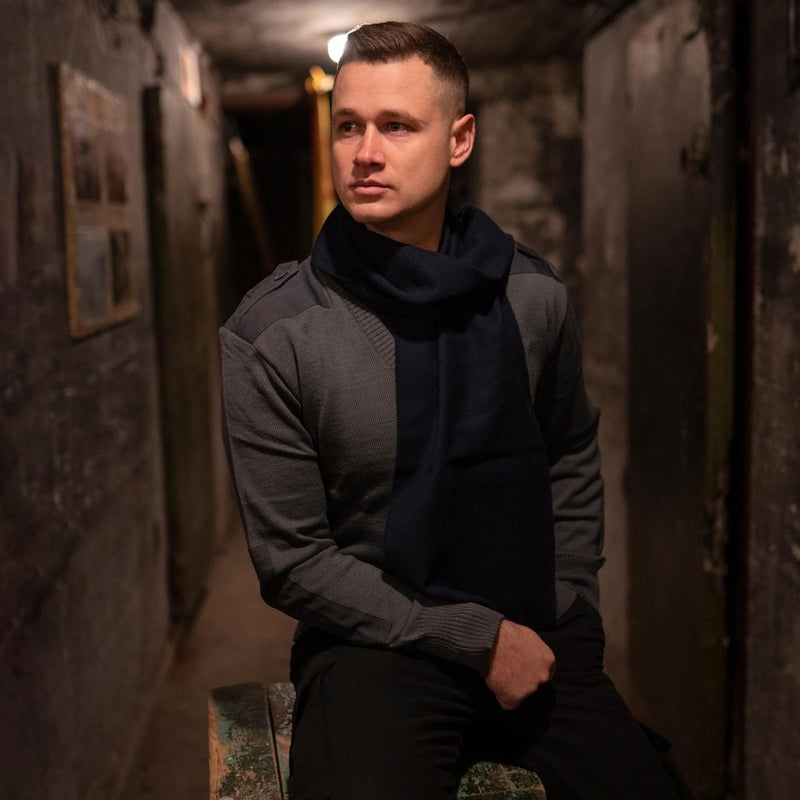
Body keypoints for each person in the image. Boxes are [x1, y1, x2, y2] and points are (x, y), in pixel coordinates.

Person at [220, 21, 679, 800]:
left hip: (536, 623)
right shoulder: (273, 332)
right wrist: (475, 638)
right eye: (350, 127)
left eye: (397, 126)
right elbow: (293, 561)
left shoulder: (530, 296)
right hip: (374, 645)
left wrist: (573, 606)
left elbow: (569, 449)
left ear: (459, 139)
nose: (365, 153)